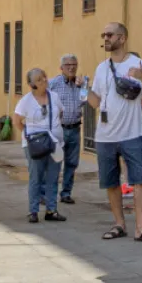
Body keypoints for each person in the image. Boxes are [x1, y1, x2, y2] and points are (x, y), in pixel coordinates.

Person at [88, 22, 142, 241]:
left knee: (139, 180)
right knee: (111, 181)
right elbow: (95, 102)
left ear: (122, 38)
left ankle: (141, 227)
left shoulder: (138, 63)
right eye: (104, 34)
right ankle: (119, 224)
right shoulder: (101, 68)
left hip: (132, 132)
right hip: (105, 135)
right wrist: (83, 89)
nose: (105, 38)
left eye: (109, 34)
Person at [14, 68, 66, 224]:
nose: (44, 80)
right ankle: (33, 211)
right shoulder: (26, 101)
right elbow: (17, 121)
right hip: (35, 145)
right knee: (36, 177)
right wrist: (30, 135)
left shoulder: (54, 97)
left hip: (55, 143)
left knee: (53, 177)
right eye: (39, 79)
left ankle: (51, 210)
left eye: (44, 77)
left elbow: (60, 113)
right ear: (32, 84)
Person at [48, 54, 87, 205]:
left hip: (75, 129)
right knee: (55, 162)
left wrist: (83, 87)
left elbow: (84, 102)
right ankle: (49, 194)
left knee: (72, 163)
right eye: (68, 65)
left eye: (74, 65)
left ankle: (66, 193)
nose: (71, 67)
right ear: (61, 68)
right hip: (58, 129)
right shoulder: (53, 83)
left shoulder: (80, 83)